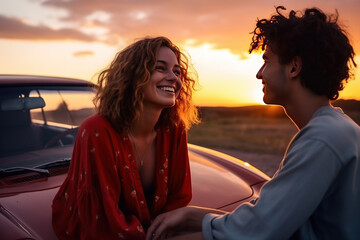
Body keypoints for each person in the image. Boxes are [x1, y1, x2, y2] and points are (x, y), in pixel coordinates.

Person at [146, 6, 360, 240]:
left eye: (266, 61)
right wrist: (191, 216)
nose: (259, 74)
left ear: (294, 67)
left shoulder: (322, 139)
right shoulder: (338, 129)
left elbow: (255, 231)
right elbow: (267, 215)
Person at [52, 36, 199, 240]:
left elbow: (179, 198)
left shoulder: (174, 129)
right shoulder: (97, 130)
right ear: (133, 75)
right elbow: (103, 220)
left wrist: (164, 229)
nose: (174, 78)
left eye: (176, 71)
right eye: (160, 68)